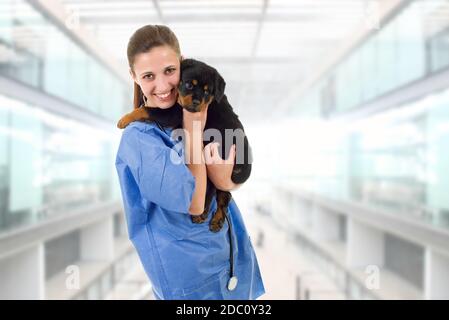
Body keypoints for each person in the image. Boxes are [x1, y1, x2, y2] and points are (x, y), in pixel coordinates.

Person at [115, 24, 265, 300]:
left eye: (169, 71)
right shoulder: (139, 138)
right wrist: (194, 125)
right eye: (149, 76)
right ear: (134, 77)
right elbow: (194, 202)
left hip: (232, 262)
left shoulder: (191, 105)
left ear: (182, 64)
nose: (162, 86)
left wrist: (227, 179)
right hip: (192, 283)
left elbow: (227, 177)